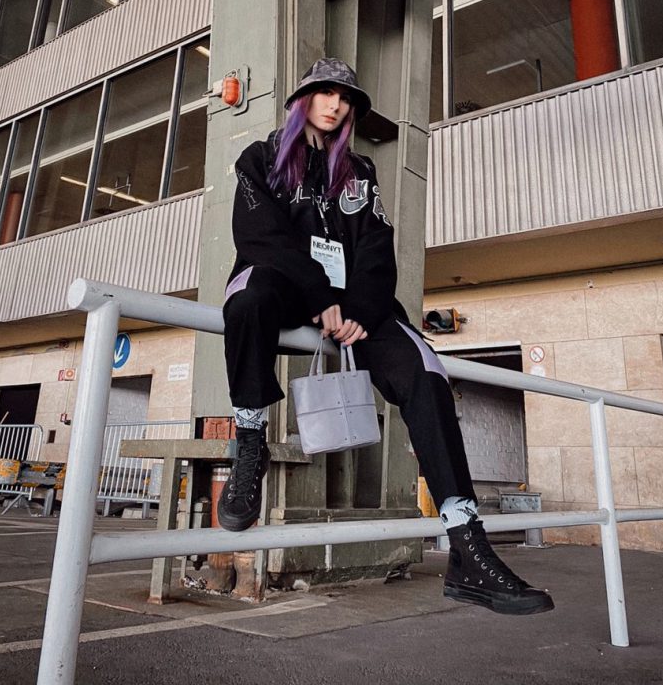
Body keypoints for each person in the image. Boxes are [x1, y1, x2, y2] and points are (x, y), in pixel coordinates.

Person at [218, 57, 554, 616]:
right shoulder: (260, 158)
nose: (336, 104)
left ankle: (467, 544)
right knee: (245, 302)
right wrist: (319, 295)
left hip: (356, 306)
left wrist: (359, 308)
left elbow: (376, 249)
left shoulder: (361, 171)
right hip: (284, 284)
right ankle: (249, 441)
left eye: (345, 98)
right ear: (304, 98)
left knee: (426, 373)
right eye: (325, 93)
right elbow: (259, 237)